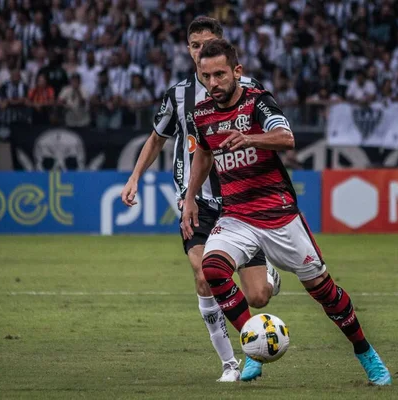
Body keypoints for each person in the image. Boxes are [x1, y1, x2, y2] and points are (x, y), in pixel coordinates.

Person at [181, 39, 391, 386]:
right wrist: (190, 198)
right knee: (213, 271)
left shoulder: (257, 102)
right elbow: (204, 153)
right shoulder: (201, 114)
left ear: (237, 72)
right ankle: (253, 348)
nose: (213, 83)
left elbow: (286, 137)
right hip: (236, 216)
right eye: (206, 76)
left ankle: (365, 351)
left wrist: (250, 139)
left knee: (325, 292)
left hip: (279, 216)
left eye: (220, 74)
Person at [120, 17, 280, 383]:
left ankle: (268, 277)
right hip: (199, 202)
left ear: (222, 45)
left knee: (258, 298)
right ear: (188, 49)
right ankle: (230, 363)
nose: (199, 50)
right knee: (203, 275)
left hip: (242, 201)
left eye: (207, 43)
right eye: (194, 45)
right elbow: (157, 138)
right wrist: (134, 178)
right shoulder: (178, 94)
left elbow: (268, 135)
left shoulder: (250, 88)